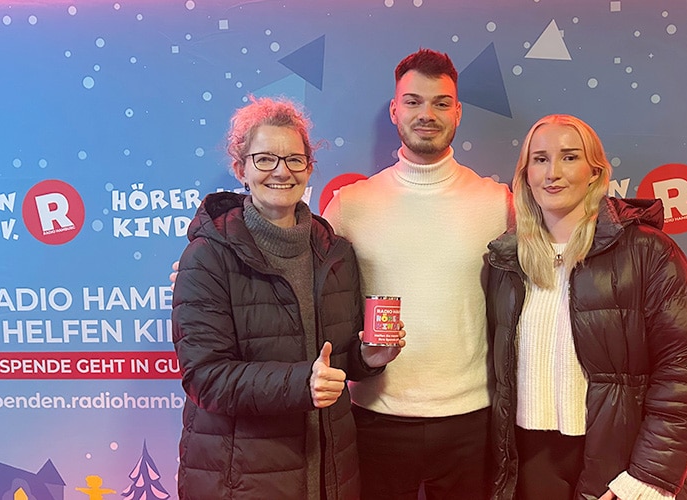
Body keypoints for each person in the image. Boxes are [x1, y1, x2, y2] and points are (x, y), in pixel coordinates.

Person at [171, 96, 404, 500]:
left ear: (309, 168)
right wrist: (302, 384)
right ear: (241, 169)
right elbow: (205, 378)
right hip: (243, 479)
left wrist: (368, 358)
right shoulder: (208, 255)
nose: (282, 171)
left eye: (295, 159)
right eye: (265, 159)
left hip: (329, 471)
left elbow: (336, 362)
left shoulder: (335, 252)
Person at [484, 114, 687, 500]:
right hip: (530, 463)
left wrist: (646, 479)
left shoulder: (647, 251)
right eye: (540, 159)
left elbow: (685, 369)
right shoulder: (506, 260)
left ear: (595, 172)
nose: (553, 173)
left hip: (617, 463)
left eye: (569, 157)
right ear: (525, 175)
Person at [321, 48, 512, 499]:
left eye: (441, 103)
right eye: (413, 101)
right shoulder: (350, 205)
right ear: (395, 110)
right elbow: (298, 278)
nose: (427, 114)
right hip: (374, 419)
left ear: (458, 112)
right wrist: (211, 272)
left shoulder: (499, 203)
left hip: (473, 420)